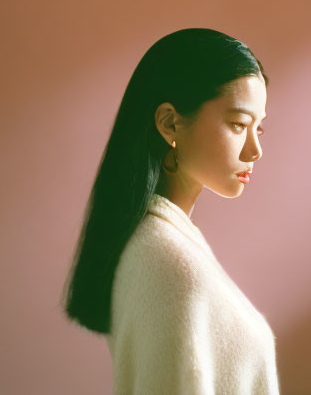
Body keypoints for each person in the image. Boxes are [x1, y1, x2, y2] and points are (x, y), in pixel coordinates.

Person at [61, 28, 280, 394]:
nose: (255, 150)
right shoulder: (170, 266)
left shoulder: (155, 242)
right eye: (239, 125)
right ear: (169, 123)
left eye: (259, 128)